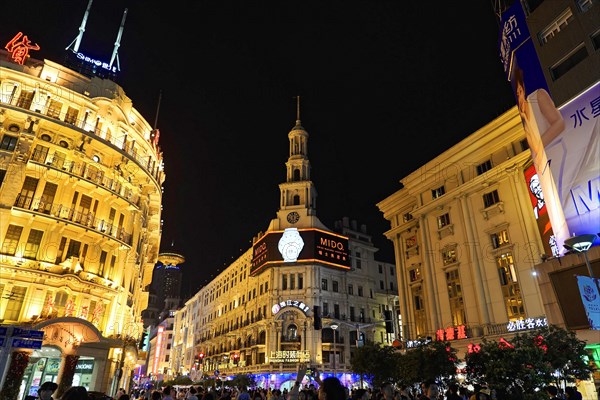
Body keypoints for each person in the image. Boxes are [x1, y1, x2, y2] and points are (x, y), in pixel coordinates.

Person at [513, 64, 569, 253]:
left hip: (559, 154)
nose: (519, 96)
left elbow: (559, 123)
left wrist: (536, 146)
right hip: (545, 165)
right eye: (517, 93)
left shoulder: (537, 96)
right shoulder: (525, 117)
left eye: (520, 90)